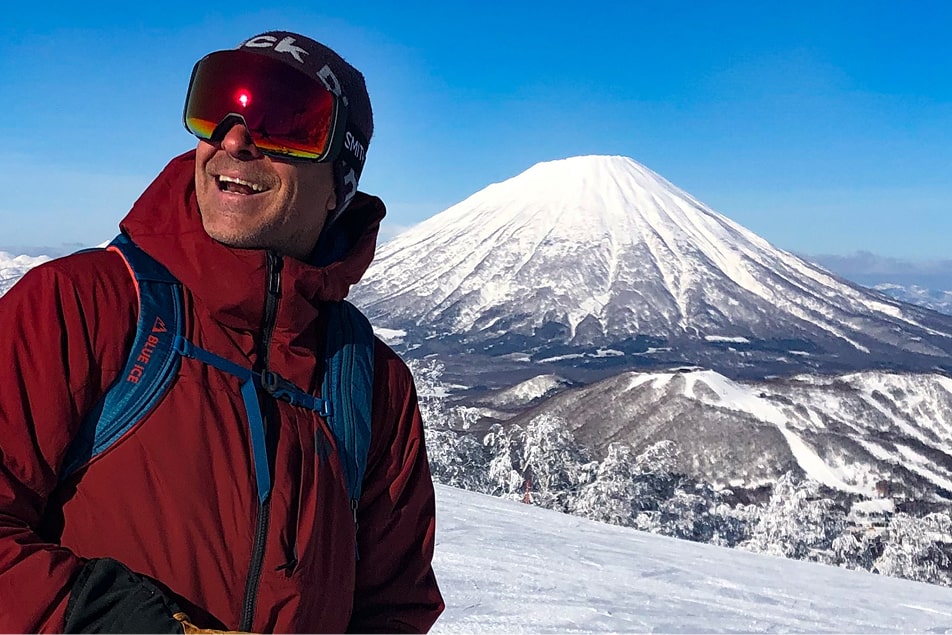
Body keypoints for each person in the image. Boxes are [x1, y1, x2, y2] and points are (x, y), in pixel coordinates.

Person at [0, 31, 444, 633]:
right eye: (216, 109)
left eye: (286, 122)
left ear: (341, 178)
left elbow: (394, 607)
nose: (235, 139)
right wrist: (117, 621)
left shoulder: (372, 381)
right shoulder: (83, 304)